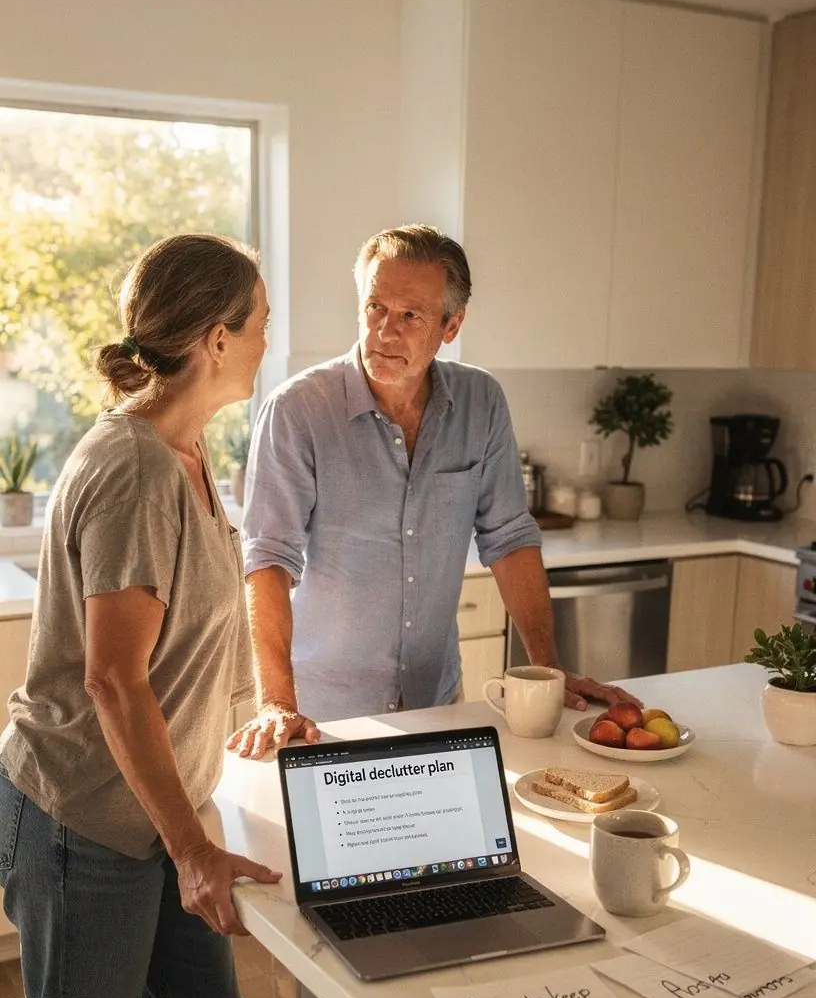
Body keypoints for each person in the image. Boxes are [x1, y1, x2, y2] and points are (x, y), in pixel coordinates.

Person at [0, 233, 281, 998]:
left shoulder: (192, 453)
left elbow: (179, 648)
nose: (268, 341)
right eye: (258, 322)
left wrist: (256, 706)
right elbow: (114, 682)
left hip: (158, 824)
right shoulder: (127, 469)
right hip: (85, 823)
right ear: (214, 339)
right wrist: (194, 846)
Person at [230, 223, 635, 761]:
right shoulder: (297, 411)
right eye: (375, 307)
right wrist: (277, 701)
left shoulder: (481, 402)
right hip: (324, 714)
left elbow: (510, 539)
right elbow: (268, 560)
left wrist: (550, 670)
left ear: (451, 326)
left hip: (439, 700)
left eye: (410, 315)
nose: (384, 331)